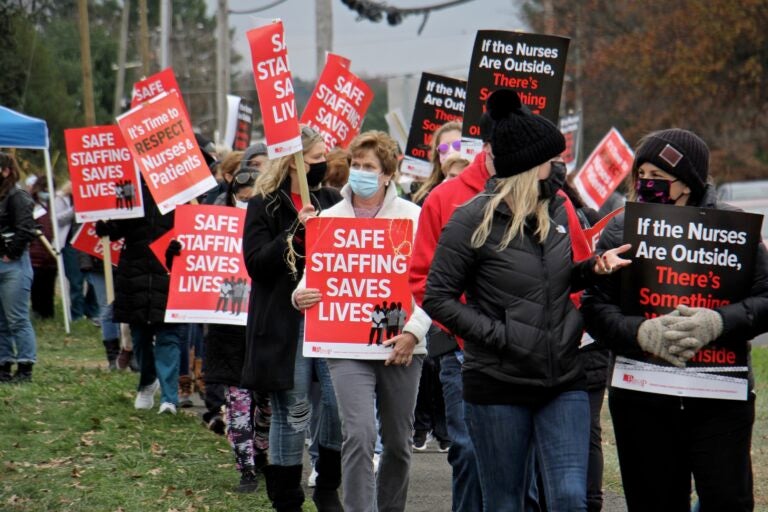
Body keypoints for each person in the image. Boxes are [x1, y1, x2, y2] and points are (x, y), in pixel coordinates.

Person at [422, 92, 630, 511]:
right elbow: (437, 297)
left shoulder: (556, 209)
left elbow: (548, 280)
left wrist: (593, 268)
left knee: (570, 498)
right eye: (552, 159)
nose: (559, 167)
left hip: (562, 378)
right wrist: (498, 335)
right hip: (497, 383)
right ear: (528, 164)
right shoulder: (469, 219)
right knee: (505, 501)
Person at [581, 129, 768, 511]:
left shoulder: (734, 230)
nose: (646, 183)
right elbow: (595, 308)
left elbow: (765, 299)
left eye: (659, 177)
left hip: (719, 397)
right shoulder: (621, 229)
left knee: (728, 501)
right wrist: (642, 333)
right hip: (643, 397)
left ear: (689, 184)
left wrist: (717, 323)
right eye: (641, 174)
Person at [292, 130, 431, 512]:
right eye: (356, 165)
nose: (360, 173)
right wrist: (298, 295)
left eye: (369, 167)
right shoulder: (328, 219)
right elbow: (313, 278)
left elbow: (431, 286)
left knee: (399, 443)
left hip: (401, 345)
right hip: (346, 345)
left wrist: (413, 332)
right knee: (359, 434)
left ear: (388, 174)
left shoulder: (413, 219)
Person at [241, 125, 343, 512]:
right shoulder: (264, 204)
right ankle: (286, 498)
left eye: (324, 158)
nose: (323, 165)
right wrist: (295, 228)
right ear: (294, 161)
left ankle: (328, 484)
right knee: (294, 409)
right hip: (286, 324)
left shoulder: (333, 200)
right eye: (316, 159)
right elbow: (256, 264)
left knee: (336, 406)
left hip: (332, 321)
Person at [196, 167, 272, 493]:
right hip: (228, 329)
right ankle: (246, 468)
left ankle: (262, 453)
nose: (248, 196)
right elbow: (195, 268)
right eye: (243, 191)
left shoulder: (273, 220)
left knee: (266, 403)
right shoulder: (215, 222)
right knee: (239, 402)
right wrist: (180, 256)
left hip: (266, 324)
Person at [95, 179, 184, 414]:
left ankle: (169, 398)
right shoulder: (131, 188)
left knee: (168, 336)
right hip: (135, 273)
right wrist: (105, 227)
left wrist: (182, 246)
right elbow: (117, 229)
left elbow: (197, 229)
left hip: (170, 272)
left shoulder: (184, 191)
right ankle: (147, 381)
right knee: (140, 337)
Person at [0, 152, 37, 383]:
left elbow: (26, 229)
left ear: (6, 170)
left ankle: (25, 366)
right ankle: (4, 363)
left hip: (13, 264)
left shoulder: (18, 196)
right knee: (1, 320)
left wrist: (10, 253)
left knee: (17, 318)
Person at [411, 120, 462, 205]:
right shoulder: (426, 196)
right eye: (443, 148)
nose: (451, 151)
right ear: (437, 155)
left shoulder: (480, 190)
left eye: (457, 145)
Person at [28, 175, 57, 319]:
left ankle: (48, 312)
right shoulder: (31, 204)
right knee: (37, 285)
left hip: (52, 253)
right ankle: (37, 311)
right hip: (35, 252)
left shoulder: (54, 205)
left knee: (49, 284)